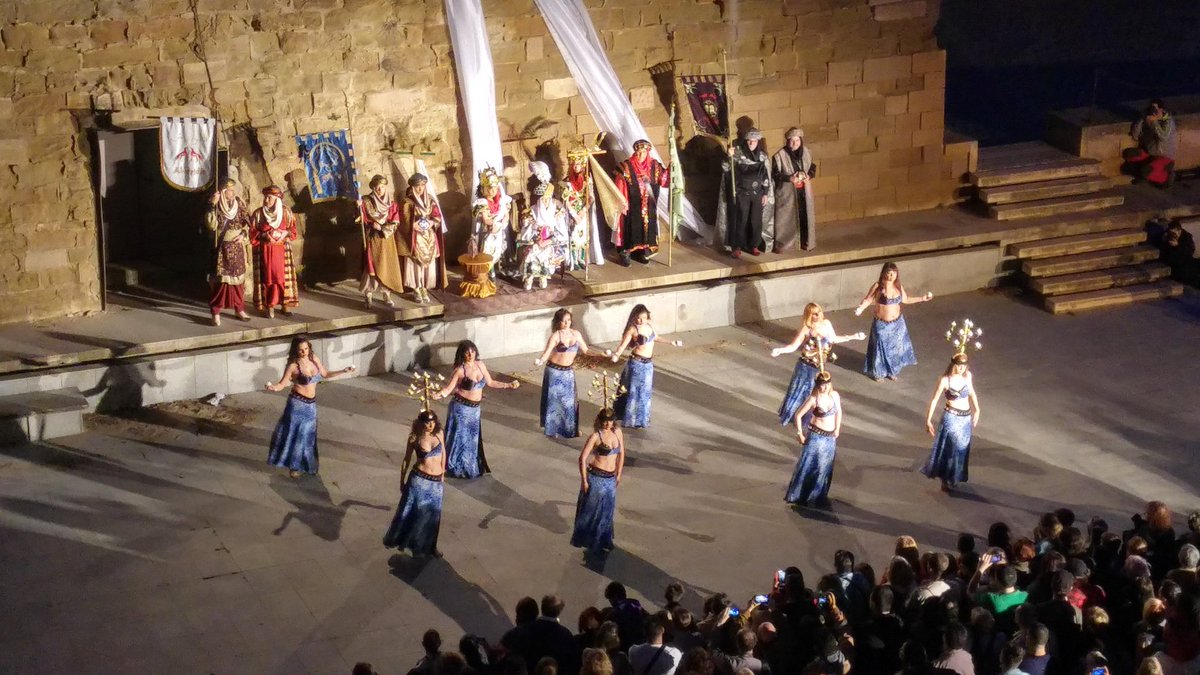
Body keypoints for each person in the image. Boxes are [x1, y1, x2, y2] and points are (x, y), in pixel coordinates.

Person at [264, 335, 355, 478]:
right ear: (295, 350)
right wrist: (273, 388)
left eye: (306, 348)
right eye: (301, 350)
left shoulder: (314, 359)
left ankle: (307, 465)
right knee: (297, 436)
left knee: (308, 436)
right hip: (297, 405)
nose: (304, 352)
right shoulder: (293, 366)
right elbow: (283, 384)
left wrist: (343, 371)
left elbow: (325, 374)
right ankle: (294, 467)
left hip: (311, 406)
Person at [433, 340, 520, 479]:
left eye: (472, 351)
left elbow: (490, 382)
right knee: (460, 438)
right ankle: (455, 466)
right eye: (467, 352)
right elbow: (449, 389)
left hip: (474, 411)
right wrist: (437, 395)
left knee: (472, 439)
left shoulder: (480, 365)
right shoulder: (460, 370)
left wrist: (508, 385)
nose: (470, 354)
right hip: (461, 409)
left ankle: (470, 466)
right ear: (462, 354)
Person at [770, 302, 865, 427]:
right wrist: (780, 350)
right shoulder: (806, 329)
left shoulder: (826, 324)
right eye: (814, 313)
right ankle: (796, 417)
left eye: (819, 311)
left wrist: (853, 336)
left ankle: (811, 418)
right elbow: (794, 346)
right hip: (805, 366)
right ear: (809, 315)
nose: (818, 315)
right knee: (801, 392)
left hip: (819, 366)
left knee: (817, 393)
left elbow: (834, 339)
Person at [535, 308, 608, 439]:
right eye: (563, 321)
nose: (566, 323)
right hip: (554, 371)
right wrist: (540, 361)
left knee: (569, 403)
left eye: (568, 320)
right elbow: (547, 353)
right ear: (558, 322)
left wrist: (599, 354)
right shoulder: (556, 336)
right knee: (555, 402)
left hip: (567, 372)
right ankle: (553, 429)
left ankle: (570, 429)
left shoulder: (576, 334)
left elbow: (586, 350)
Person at [854, 262, 933, 381]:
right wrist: (860, 308)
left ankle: (891, 371)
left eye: (894, 273)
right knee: (880, 348)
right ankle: (879, 372)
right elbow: (868, 299)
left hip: (897, 324)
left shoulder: (898, 287)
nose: (891, 276)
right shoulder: (877, 286)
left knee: (895, 349)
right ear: (884, 273)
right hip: (881, 324)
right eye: (889, 273)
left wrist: (922, 298)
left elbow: (906, 300)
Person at [383, 410, 447, 557]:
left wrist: (442, 475)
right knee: (417, 514)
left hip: (436, 482)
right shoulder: (414, 438)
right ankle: (415, 545)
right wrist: (402, 480)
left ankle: (431, 546)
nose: (430, 425)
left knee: (434, 516)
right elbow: (406, 460)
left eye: (433, 422)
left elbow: (443, 452)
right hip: (419, 481)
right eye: (427, 422)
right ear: (420, 423)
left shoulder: (439, 433)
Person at [610, 304, 683, 429]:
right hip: (637, 363)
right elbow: (623, 345)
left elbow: (656, 337)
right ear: (634, 317)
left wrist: (671, 342)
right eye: (638, 318)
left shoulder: (649, 325)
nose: (641, 320)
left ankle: (641, 419)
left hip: (648, 365)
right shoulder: (633, 329)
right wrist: (616, 355)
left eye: (643, 317)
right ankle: (631, 419)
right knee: (635, 392)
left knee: (645, 393)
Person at [922, 353, 981, 492]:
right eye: (959, 365)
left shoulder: (968, 376)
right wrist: (928, 420)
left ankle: (954, 476)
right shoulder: (945, 380)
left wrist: (977, 409)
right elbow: (934, 400)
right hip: (951, 418)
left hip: (965, 419)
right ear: (953, 364)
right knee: (951, 448)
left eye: (964, 366)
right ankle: (945, 478)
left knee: (961, 448)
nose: (962, 368)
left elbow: (971, 392)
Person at [571, 409, 625, 555]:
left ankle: (602, 540)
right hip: (596, 477)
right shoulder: (595, 436)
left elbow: (621, 454)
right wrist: (584, 480)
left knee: (607, 511)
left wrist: (619, 474)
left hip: (610, 478)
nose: (608, 424)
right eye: (605, 421)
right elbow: (582, 458)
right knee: (591, 511)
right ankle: (588, 540)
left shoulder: (618, 433)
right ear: (600, 421)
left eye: (610, 421)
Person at [785, 371, 842, 508]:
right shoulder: (813, 399)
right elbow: (798, 415)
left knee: (824, 468)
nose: (825, 387)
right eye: (822, 385)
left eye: (827, 384)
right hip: (816, 437)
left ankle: (818, 496)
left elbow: (839, 412)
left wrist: (837, 428)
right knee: (810, 466)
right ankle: (801, 495)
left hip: (830, 438)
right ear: (817, 385)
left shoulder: (834, 395)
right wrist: (800, 433)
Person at [613, 139, 669, 266]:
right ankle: (625, 251)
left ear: (647, 152)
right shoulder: (626, 166)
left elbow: (664, 180)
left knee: (646, 227)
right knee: (629, 226)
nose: (640, 154)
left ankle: (642, 251)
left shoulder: (655, 166)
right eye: (638, 151)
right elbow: (620, 184)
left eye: (643, 152)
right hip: (631, 205)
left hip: (649, 205)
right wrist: (622, 201)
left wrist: (672, 168)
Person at [206, 178, 253, 326]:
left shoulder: (240, 204)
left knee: (238, 282)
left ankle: (239, 309)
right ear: (223, 192)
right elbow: (211, 225)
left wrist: (243, 235)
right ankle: (216, 312)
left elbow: (248, 224)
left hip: (237, 248)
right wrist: (212, 205)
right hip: (222, 249)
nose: (232, 193)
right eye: (229, 190)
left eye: (233, 190)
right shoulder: (216, 205)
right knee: (222, 283)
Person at [251, 185, 299, 318]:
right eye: (265, 197)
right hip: (266, 251)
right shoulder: (258, 214)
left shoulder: (286, 213)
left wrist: (285, 233)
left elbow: (293, 231)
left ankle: (285, 304)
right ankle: (270, 306)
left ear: (277, 199)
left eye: (269, 198)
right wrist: (265, 235)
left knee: (282, 278)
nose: (266, 200)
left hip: (282, 251)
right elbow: (252, 232)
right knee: (268, 278)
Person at [723, 128, 772, 258]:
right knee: (741, 220)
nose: (751, 143)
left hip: (757, 193)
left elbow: (765, 176)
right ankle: (737, 246)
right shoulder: (737, 154)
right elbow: (726, 168)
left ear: (758, 142)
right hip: (741, 193)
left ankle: (753, 245)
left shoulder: (762, 156)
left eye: (754, 141)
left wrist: (765, 193)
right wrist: (728, 157)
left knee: (755, 220)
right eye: (749, 141)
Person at [358, 174, 405, 308]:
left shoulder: (392, 204)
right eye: (377, 187)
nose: (380, 190)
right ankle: (368, 293)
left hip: (387, 239)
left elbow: (396, 222)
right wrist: (357, 208)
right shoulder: (366, 201)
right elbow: (360, 219)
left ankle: (386, 293)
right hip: (373, 238)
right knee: (372, 266)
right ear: (373, 188)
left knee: (386, 265)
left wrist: (382, 228)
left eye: (382, 187)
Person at [400, 173, 446, 304]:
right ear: (412, 187)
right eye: (417, 186)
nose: (420, 189)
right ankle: (416, 288)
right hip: (415, 237)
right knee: (415, 264)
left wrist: (432, 222)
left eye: (422, 185)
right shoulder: (407, 202)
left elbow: (437, 216)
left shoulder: (430, 200)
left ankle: (425, 287)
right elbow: (403, 219)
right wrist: (412, 225)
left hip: (428, 236)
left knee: (428, 265)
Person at [771, 127, 817, 252]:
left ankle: (805, 241)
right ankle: (785, 244)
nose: (794, 143)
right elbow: (775, 174)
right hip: (788, 193)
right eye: (792, 140)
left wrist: (809, 175)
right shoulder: (779, 156)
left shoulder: (806, 152)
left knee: (804, 216)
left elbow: (812, 167)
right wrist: (789, 178)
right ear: (788, 141)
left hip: (803, 191)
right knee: (786, 219)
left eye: (797, 140)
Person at [518, 178, 568, 290]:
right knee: (532, 253)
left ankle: (543, 276)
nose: (545, 202)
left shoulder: (557, 212)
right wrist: (536, 238)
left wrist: (550, 240)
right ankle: (529, 277)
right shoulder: (532, 211)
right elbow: (526, 230)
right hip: (536, 241)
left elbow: (561, 232)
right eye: (543, 199)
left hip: (550, 242)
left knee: (548, 253)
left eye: (547, 199)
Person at [561, 146, 606, 270]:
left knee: (583, 235)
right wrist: (574, 214)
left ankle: (581, 258)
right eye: (574, 164)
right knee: (573, 235)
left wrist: (584, 210)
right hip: (572, 212)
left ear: (582, 165)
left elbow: (590, 197)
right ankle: (573, 259)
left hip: (583, 211)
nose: (576, 167)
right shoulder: (567, 181)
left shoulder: (587, 180)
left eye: (578, 164)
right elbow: (565, 199)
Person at [472, 167, 516, 279]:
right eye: (490, 188)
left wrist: (501, 224)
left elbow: (506, 215)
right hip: (487, 231)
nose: (493, 190)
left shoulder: (502, 201)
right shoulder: (482, 202)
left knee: (499, 251)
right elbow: (485, 219)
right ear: (484, 189)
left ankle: (499, 268)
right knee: (487, 252)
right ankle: (489, 271)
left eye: (495, 187)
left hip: (499, 230)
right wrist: (494, 223)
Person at [1123, 99, 1178, 188]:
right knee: (1129, 154)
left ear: (1162, 110)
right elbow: (1135, 136)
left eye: (1156, 109)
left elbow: (1163, 137)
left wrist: (1154, 123)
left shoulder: (1168, 121)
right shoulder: (1148, 119)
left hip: (1164, 158)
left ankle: (1166, 177)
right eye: (1152, 109)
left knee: (1145, 171)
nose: (1154, 112)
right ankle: (1143, 174)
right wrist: (1142, 119)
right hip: (1149, 155)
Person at [1158, 218, 1197, 285]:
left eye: (1174, 233)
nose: (1173, 235)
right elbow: (1164, 252)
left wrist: (1177, 246)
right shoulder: (1167, 236)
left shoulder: (1187, 237)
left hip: (1184, 261)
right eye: (1171, 232)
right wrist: (1163, 240)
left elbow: (1189, 252)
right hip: (1172, 262)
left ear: (1179, 231)